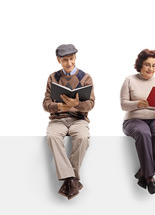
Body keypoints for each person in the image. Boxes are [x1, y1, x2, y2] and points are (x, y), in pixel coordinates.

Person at [43, 44, 95, 200]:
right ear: (59, 60)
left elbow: (90, 104)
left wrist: (76, 105)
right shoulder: (53, 78)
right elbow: (46, 104)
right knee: (52, 137)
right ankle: (72, 180)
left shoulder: (86, 78)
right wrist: (59, 105)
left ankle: (69, 179)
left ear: (75, 58)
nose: (69, 63)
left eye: (71, 59)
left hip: (78, 119)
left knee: (82, 138)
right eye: (65, 60)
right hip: (58, 119)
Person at [120, 49, 155, 195]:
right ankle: (149, 178)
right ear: (140, 65)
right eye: (147, 65)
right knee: (143, 133)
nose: (151, 69)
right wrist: (137, 104)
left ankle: (143, 171)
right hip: (134, 120)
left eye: (154, 65)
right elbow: (123, 104)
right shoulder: (129, 80)